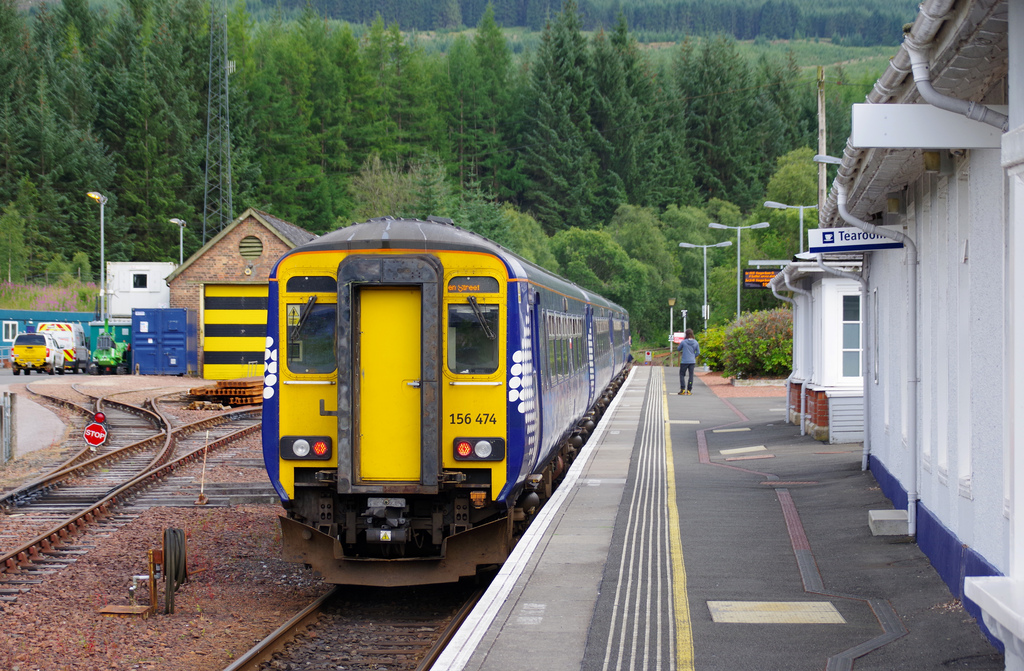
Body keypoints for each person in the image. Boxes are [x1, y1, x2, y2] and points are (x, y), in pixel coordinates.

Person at [677, 328, 699, 395]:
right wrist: (693, 356)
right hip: (692, 361)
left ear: (686, 334)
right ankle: (689, 390)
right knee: (691, 375)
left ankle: (682, 389)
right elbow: (698, 352)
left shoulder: (683, 342)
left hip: (684, 361)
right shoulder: (696, 342)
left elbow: (678, 349)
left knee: (682, 375)